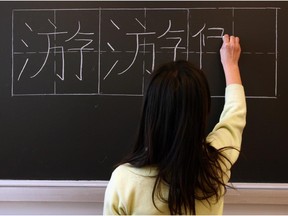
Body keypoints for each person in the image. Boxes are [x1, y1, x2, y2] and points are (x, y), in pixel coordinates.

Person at [103, 34, 246, 215]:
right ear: (201, 113)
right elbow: (235, 116)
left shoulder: (124, 181)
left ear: (150, 113)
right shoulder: (215, 167)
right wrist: (231, 65)